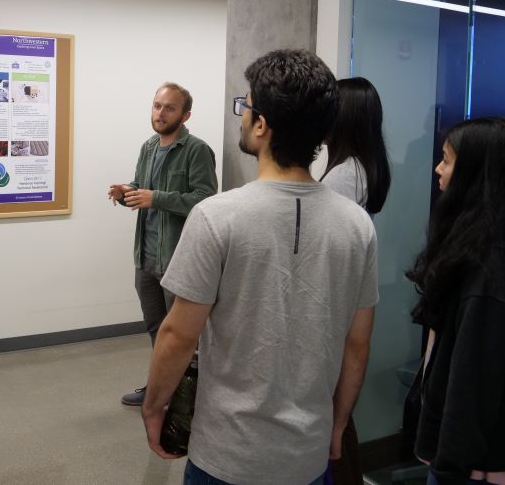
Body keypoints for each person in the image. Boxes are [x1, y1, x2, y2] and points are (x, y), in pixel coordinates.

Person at [142, 50, 378, 485]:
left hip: (226, 456)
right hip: (308, 455)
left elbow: (178, 334)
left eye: (244, 106)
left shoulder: (216, 217)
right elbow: (357, 345)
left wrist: (155, 406)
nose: (241, 114)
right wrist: (339, 423)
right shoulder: (357, 226)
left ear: (261, 125)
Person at [406, 117, 505, 485]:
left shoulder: (497, 269)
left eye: (446, 159)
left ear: (478, 173)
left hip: (479, 469)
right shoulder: (479, 246)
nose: (437, 169)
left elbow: (473, 385)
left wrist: (447, 470)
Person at [108, 82, 217, 406]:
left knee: (182, 336)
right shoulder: (148, 147)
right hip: (147, 257)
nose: (160, 113)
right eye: (157, 105)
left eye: (169, 107)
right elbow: (143, 190)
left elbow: (206, 199)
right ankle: (160, 388)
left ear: (185, 115)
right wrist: (126, 192)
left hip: (178, 258)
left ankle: (188, 398)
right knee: (156, 327)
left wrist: (156, 197)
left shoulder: (197, 150)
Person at [318, 76, 391, 484]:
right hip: (349, 301)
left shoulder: (344, 176)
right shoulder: (363, 167)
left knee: (336, 421)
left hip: (340, 306)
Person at [321, 77, 391, 215]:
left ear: (344, 119)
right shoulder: (358, 168)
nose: (321, 118)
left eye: (328, 111)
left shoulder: (344, 176)